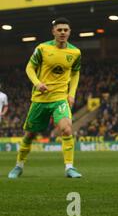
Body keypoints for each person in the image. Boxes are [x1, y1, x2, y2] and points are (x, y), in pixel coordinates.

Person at [8, 17, 82, 179]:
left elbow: (75, 73)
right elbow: (29, 67)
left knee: (67, 128)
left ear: (69, 32)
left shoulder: (75, 52)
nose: (62, 32)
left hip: (60, 98)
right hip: (40, 99)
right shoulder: (42, 48)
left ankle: (69, 167)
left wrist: (71, 94)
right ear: (53, 31)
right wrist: (37, 83)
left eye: (65, 30)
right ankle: (18, 166)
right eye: (59, 30)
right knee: (30, 135)